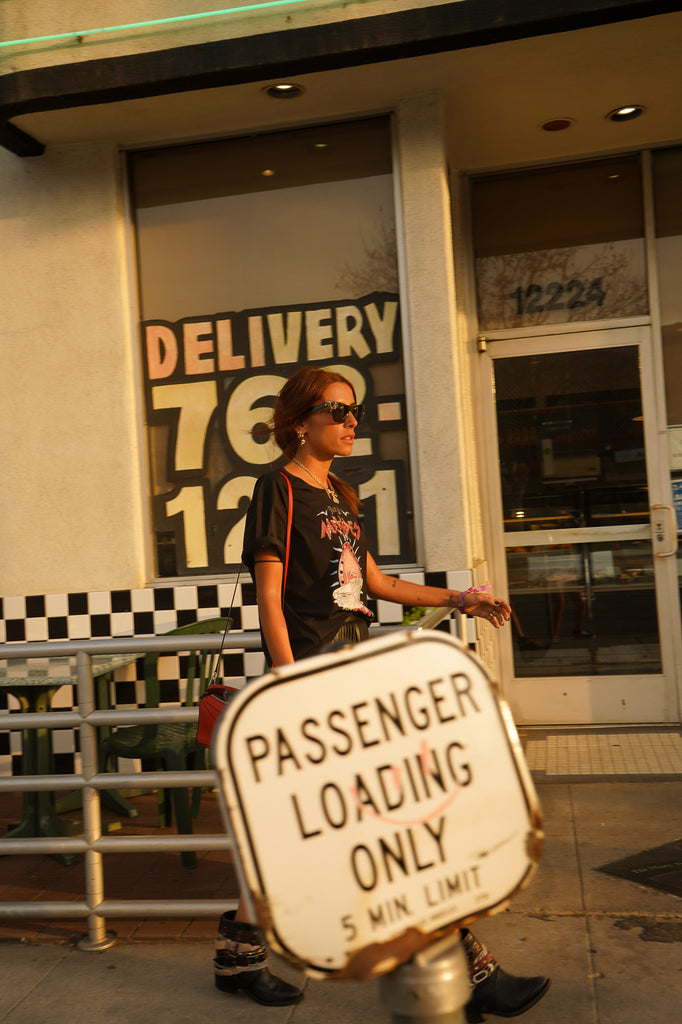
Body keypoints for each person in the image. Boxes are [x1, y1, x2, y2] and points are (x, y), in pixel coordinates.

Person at [213, 366, 550, 1020]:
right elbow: (271, 599)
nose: (350, 422)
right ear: (299, 420)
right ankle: (470, 968)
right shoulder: (277, 488)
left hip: (353, 676)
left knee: (323, 829)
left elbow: (375, 583)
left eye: (355, 412)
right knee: (398, 822)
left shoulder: (342, 492)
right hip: (314, 682)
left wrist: (460, 598)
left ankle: (237, 956)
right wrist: (290, 687)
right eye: (337, 411)